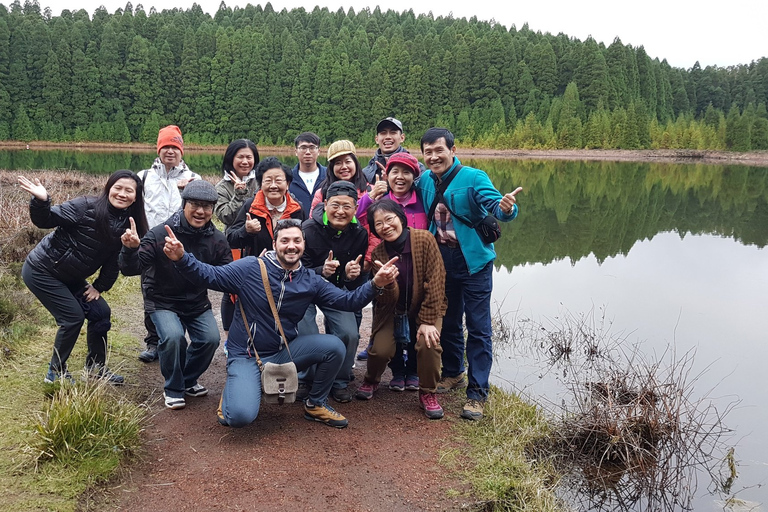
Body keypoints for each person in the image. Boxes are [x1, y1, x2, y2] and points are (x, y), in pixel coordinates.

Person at [163, 218, 400, 429]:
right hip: (247, 354)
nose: (291, 246)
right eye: (285, 240)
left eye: (297, 240)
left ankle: (315, 403)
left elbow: (346, 301)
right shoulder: (250, 268)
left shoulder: (310, 280)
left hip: (284, 352)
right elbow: (210, 275)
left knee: (334, 346)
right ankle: (235, 390)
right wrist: (183, 258)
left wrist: (375, 284)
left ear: (304, 245)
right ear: (275, 243)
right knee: (239, 418)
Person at [417, 127, 523, 421]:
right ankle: (453, 373)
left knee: (478, 327)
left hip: (474, 261)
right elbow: (404, 198)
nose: (434, 156)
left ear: (452, 150)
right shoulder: (424, 180)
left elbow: (498, 209)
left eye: (439, 150)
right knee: (449, 321)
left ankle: (477, 393)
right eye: (428, 152)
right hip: (441, 259)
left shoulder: (474, 177)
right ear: (423, 155)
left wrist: (506, 209)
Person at [19, 170, 149, 384]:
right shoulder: (84, 206)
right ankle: (55, 373)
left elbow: (116, 263)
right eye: (118, 188)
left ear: (136, 196)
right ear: (109, 188)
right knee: (72, 317)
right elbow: (46, 219)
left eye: (129, 190)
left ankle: (96, 369)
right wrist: (42, 200)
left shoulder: (130, 225)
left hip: (71, 277)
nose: (122, 194)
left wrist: (100, 285)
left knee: (100, 312)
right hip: (42, 270)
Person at [120, 180, 232, 410]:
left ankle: (188, 380)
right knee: (173, 338)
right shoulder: (160, 233)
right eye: (195, 204)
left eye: (207, 206)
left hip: (196, 302)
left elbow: (225, 274)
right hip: (162, 300)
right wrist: (130, 249)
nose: (201, 211)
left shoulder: (217, 239)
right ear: (184, 205)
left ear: (213, 209)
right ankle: (173, 388)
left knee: (210, 339)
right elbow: (130, 269)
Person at [355, 200, 447, 419]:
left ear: (401, 218)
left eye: (389, 219)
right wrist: (388, 283)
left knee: (428, 342)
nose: (385, 226)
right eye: (379, 223)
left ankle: (428, 393)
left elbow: (437, 280)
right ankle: (371, 379)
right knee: (380, 350)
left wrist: (426, 321)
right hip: (392, 310)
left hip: (427, 307)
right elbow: (384, 300)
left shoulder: (424, 239)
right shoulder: (378, 253)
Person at [354, 152, 427, 378]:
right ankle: (394, 366)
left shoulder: (423, 198)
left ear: (414, 176)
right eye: (395, 171)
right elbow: (358, 217)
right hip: (388, 266)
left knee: (416, 317)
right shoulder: (382, 200)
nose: (400, 177)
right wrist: (370, 195)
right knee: (387, 313)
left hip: (417, 269)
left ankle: (413, 369)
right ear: (387, 174)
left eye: (406, 172)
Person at [299, 181, 368, 403]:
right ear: (326, 204)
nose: (340, 211)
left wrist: (350, 274)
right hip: (306, 290)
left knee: (349, 333)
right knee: (306, 331)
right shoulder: (308, 229)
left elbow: (353, 282)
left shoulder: (359, 234)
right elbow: (297, 270)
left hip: (335, 290)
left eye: (347, 206)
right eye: (335, 205)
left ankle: (339, 380)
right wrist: (321, 271)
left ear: (355, 208)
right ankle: (305, 378)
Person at [137, 125, 201, 363]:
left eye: (175, 147)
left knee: (183, 289)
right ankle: (153, 342)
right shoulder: (143, 177)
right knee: (149, 290)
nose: (170, 151)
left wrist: (189, 191)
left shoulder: (193, 179)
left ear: (182, 150)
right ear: (159, 149)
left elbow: (201, 213)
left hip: (182, 245)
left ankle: (178, 339)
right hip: (151, 243)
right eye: (166, 147)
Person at [214, 139, 260, 333]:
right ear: (231, 159)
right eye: (240, 157)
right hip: (233, 242)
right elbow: (225, 216)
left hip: (258, 241)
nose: (244, 161)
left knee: (258, 287)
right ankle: (229, 334)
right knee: (231, 289)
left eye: (249, 157)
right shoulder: (222, 187)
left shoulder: (261, 180)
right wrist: (239, 194)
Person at [226, 156, 305, 258]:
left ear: (287, 184)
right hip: (257, 268)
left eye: (278, 181)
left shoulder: (297, 209)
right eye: (268, 181)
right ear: (261, 184)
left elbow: (305, 242)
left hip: (289, 268)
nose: (273, 186)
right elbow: (231, 239)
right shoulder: (251, 206)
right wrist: (246, 231)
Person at [309, 139, 370, 212]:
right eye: (338, 163)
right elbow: (314, 220)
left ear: (355, 163)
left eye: (348, 162)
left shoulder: (370, 191)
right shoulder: (322, 194)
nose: (344, 167)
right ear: (332, 168)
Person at [362, 117, 426, 184]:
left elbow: (419, 192)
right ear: (376, 139)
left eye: (393, 132)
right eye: (383, 133)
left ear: (402, 138)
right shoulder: (366, 171)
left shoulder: (417, 168)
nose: (388, 137)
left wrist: (391, 184)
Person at [288, 132, 327, 216]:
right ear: (296, 151)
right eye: (303, 148)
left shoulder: (329, 175)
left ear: (319, 151)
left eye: (312, 148)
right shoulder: (288, 177)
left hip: (323, 227)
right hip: (296, 226)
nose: (308, 152)